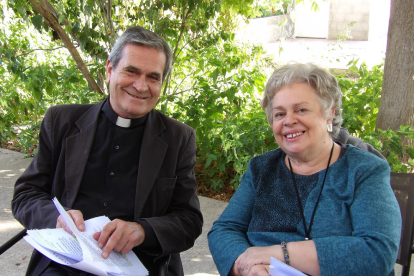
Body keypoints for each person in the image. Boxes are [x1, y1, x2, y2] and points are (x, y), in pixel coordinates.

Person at [12, 26, 203, 276]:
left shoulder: (179, 138)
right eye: (131, 71)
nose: (141, 85)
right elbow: (26, 195)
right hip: (64, 264)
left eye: (153, 77)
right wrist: (57, 219)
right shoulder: (61, 122)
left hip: (140, 264)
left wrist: (142, 230)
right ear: (110, 69)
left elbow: (189, 220)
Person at [208, 63, 401, 276]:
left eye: (301, 109)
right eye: (280, 114)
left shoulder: (364, 170)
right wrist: (246, 267)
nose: (289, 120)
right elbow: (224, 230)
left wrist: (277, 254)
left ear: (329, 114)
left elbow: (377, 253)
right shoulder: (261, 168)